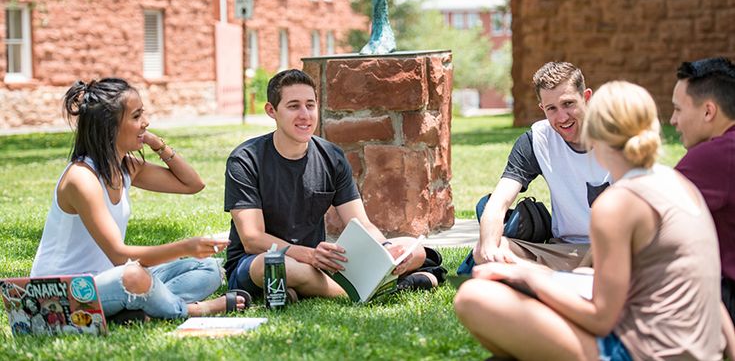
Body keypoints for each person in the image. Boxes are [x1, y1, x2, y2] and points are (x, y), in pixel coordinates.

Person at [454, 81, 735, 360]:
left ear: (594, 132)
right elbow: (708, 289)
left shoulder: (615, 204)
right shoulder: (681, 184)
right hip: (700, 350)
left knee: (474, 297)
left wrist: (528, 276)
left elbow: (601, 319)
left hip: (645, 351)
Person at [31, 78, 248, 322]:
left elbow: (192, 184)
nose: (145, 122)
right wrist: (185, 247)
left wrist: (157, 144)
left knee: (207, 269)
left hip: (107, 279)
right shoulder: (81, 178)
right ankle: (191, 309)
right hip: (55, 296)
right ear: (109, 126)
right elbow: (119, 255)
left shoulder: (125, 167)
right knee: (133, 276)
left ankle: (138, 311)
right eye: (136, 117)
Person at [224, 69, 437, 300]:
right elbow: (252, 239)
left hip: (317, 261)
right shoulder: (245, 159)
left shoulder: (331, 156)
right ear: (271, 111)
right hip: (258, 260)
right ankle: (370, 292)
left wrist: (385, 251)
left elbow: (361, 223)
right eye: (294, 106)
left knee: (412, 249)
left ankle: (301, 288)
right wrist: (308, 256)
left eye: (310, 105)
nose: (305, 115)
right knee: (273, 265)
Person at [469, 62, 610, 271]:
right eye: (552, 108)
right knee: (485, 250)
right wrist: (489, 248)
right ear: (542, 108)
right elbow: (498, 203)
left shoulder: (615, 133)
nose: (562, 117)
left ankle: (539, 277)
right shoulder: (537, 140)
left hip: (615, 251)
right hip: (564, 252)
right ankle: (556, 278)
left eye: (568, 104)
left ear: (586, 97)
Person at [670, 57, 735, 324]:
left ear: (708, 111)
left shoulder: (715, 156)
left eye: (677, 109)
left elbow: (642, 211)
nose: (673, 120)